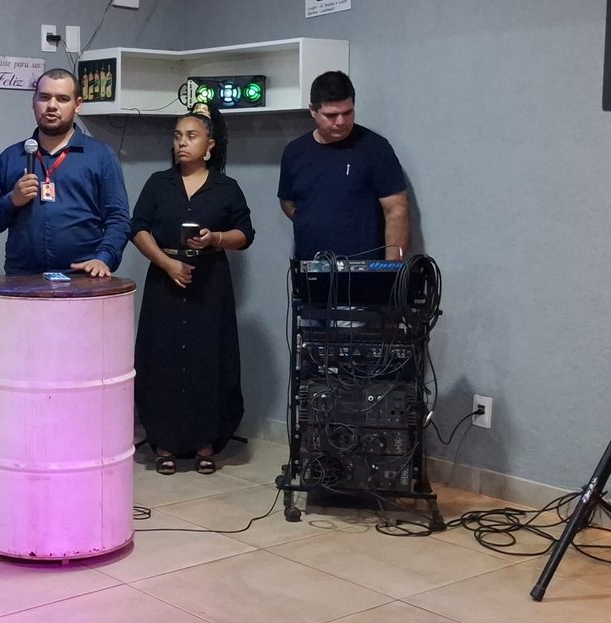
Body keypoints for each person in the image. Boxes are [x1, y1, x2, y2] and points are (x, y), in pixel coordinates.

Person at [129, 105, 254, 474]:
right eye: (177, 136)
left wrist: (215, 238)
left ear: (210, 145)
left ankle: (206, 442)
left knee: (208, 359)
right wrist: (166, 263)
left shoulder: (226, 187)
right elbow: (138, 228)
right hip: (165, 281)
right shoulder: (158, 183)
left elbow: (245, 234)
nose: (181, 143)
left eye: (191, 136)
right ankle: (164, 442)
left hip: (209, 282)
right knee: (162, 360)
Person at [0, 68, 130, 277]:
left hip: (83, 278)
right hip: (22, 280)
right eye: (44, 97)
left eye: (62, 99)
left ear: (78, 104)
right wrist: (12, 199)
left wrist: (104, 258)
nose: (51, 105)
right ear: (33, 102)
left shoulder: (101, 155)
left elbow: (118, 219)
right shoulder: (11, 157)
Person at [278, 71, 409, 261]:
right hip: (310, 266)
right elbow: (288, 203)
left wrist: (391, 268)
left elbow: (396, 211)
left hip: (365, 269)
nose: (341, 122)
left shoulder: (375, 148)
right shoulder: (294, 152)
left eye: (348, 113)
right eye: (331, 115)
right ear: (313, 110)